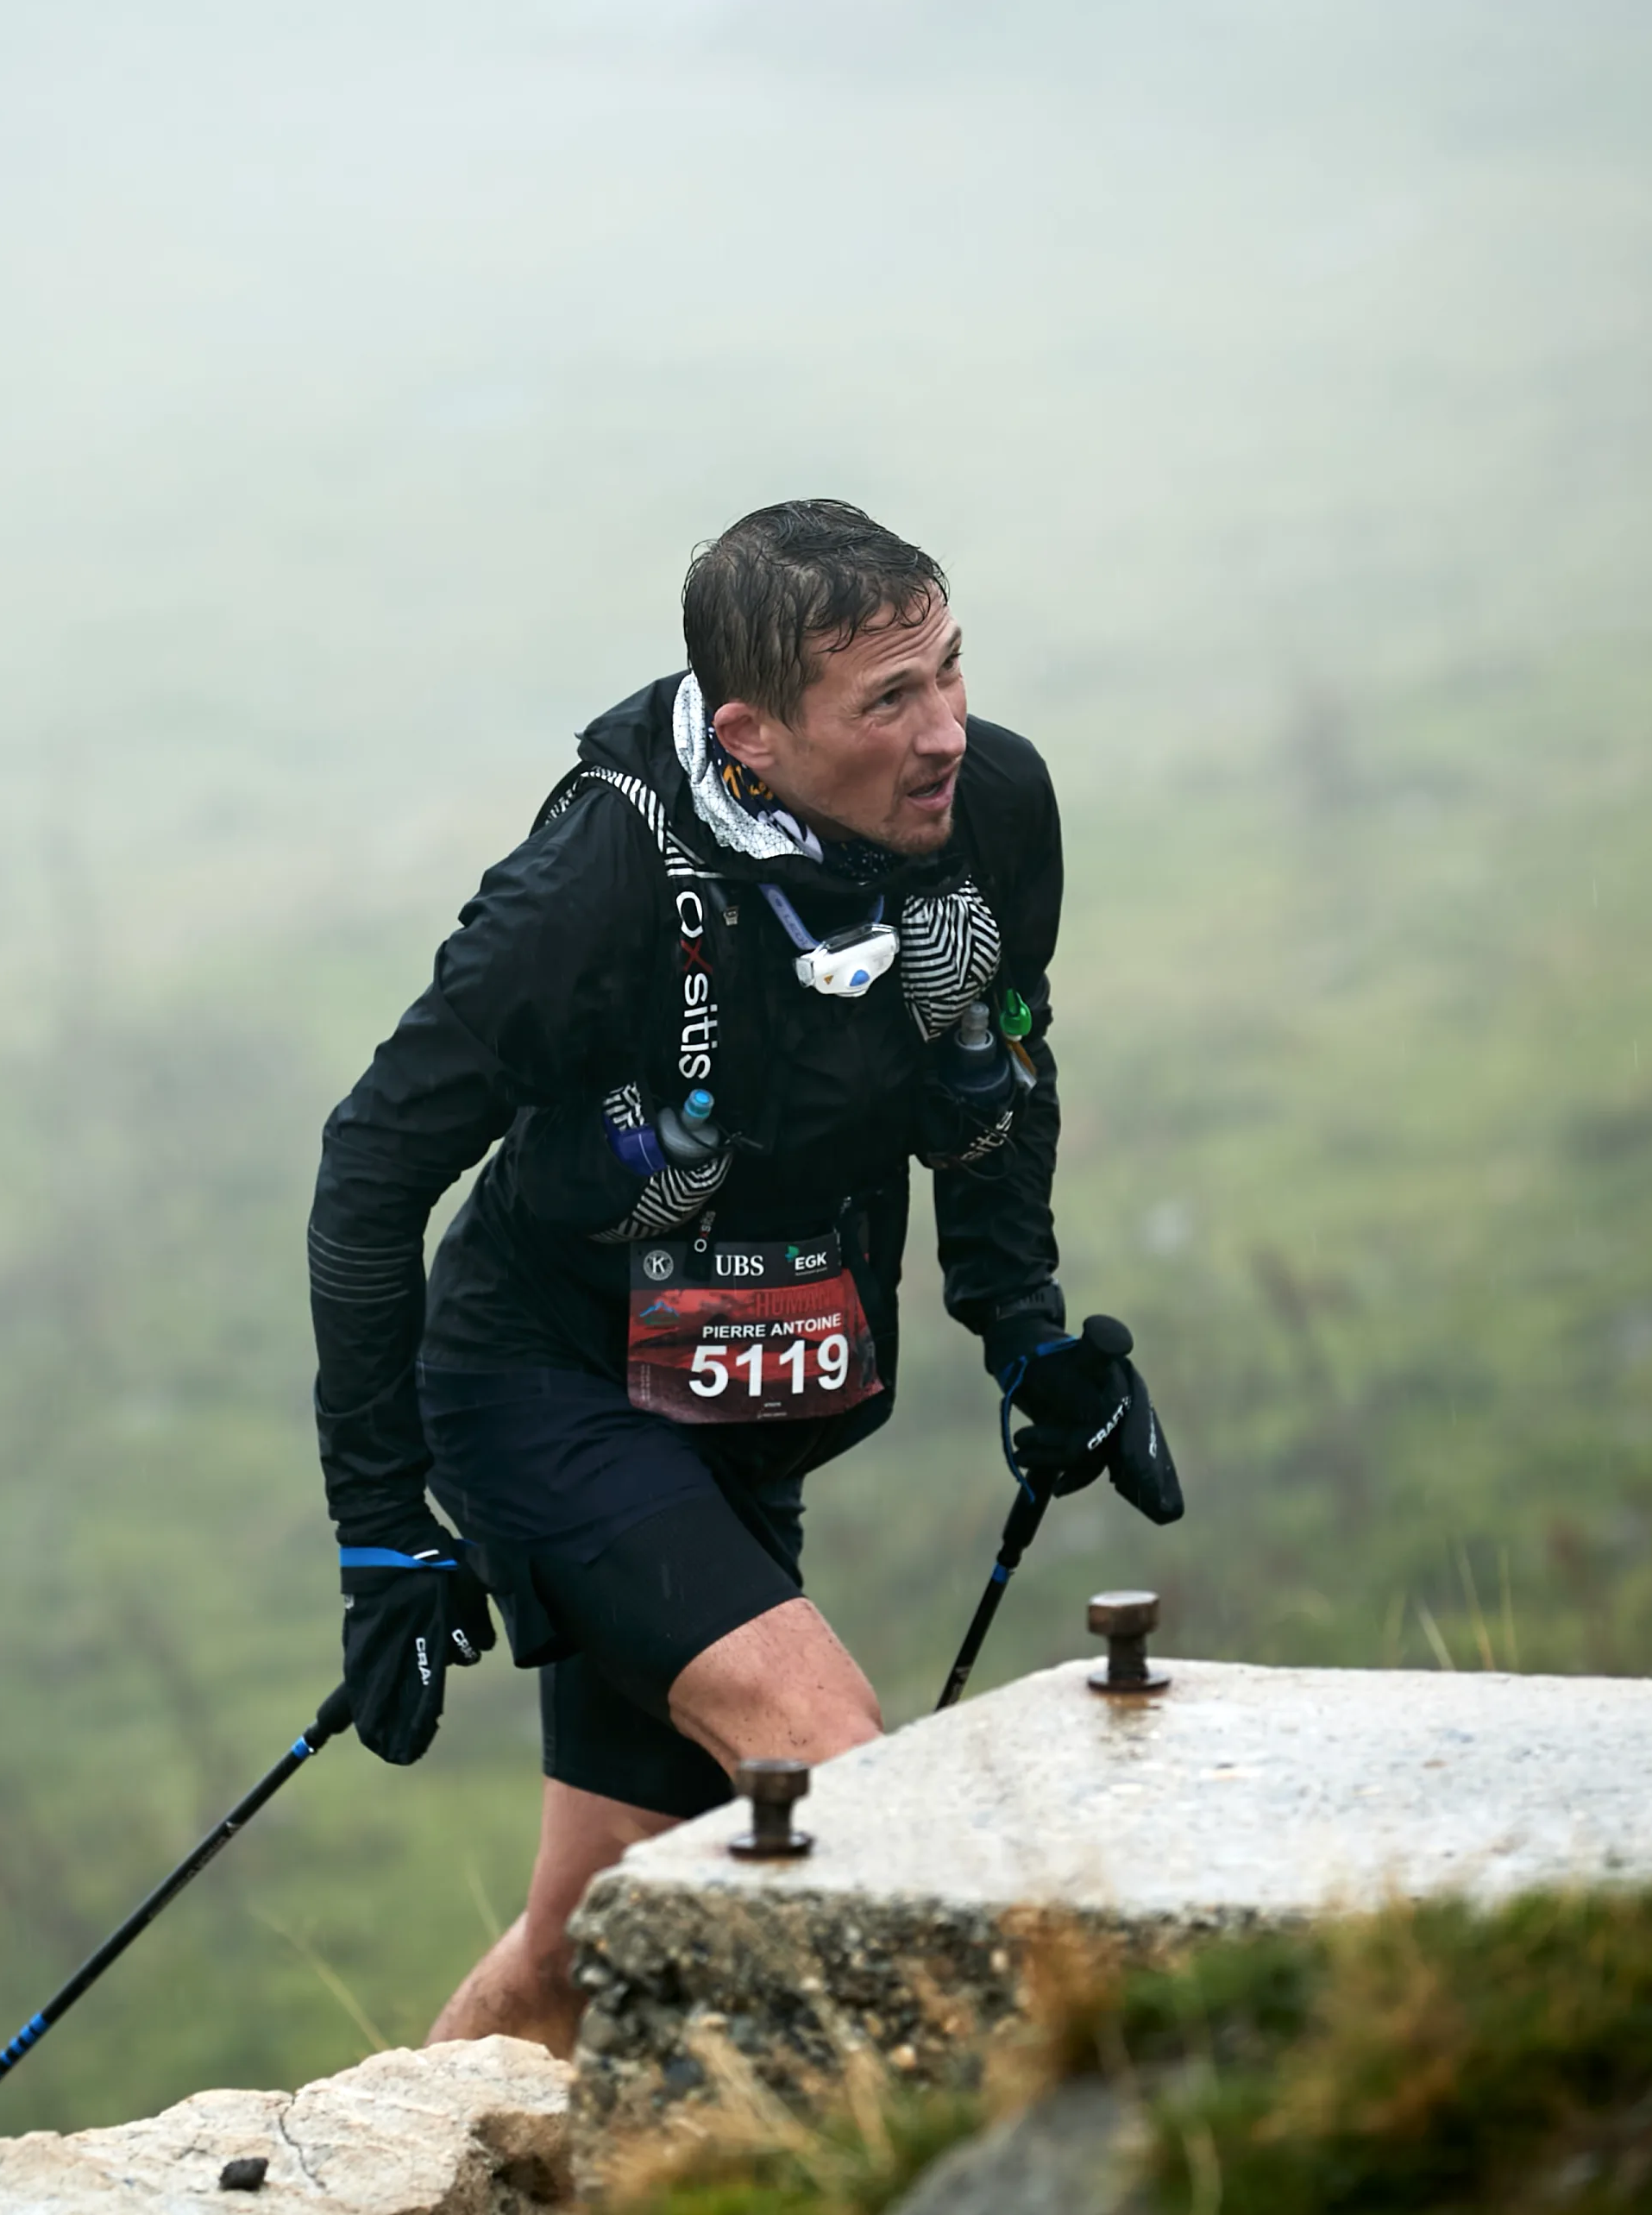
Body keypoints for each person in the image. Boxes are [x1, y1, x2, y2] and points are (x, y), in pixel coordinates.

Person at [305, 500, 1182, 2056]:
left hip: (739, 1405)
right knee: (832, 1766)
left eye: (952, 672)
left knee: (587, 1940)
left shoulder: (993, 810)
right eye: (889, 702)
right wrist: (380, 1525)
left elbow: (993, 1067)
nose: (946, 736)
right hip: (547, 1388)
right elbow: (372, 1167)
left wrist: (1023, 1333)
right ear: (752, 736)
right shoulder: (596, 888)